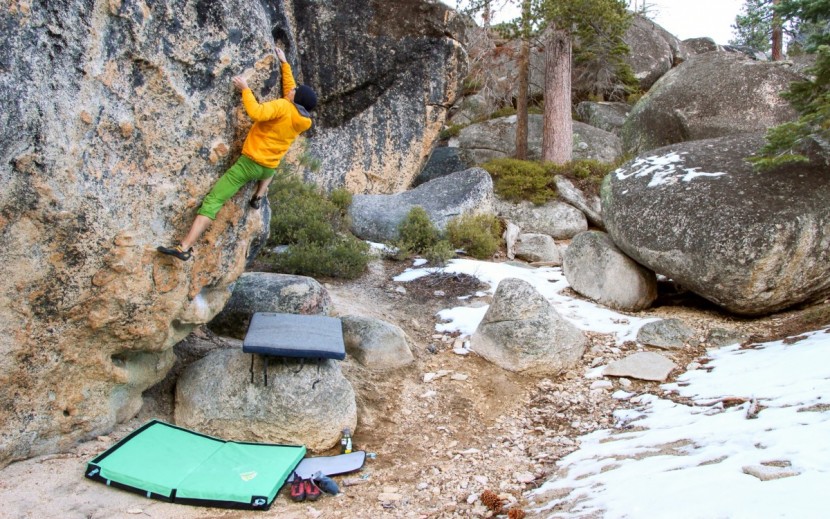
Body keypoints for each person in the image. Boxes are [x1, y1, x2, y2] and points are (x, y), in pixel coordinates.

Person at [157, 48, 317, 261]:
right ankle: (258, 195)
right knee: (273, 164)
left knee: (214, 200)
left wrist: (245, 89)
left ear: (295, 98)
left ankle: (184, 247)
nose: (292, 89)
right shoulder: (303, 120)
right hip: (267, 168)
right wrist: (284, 63)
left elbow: (256, 113)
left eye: (295, 90)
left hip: (249, 164)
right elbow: (291, 89)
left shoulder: (282, 106)